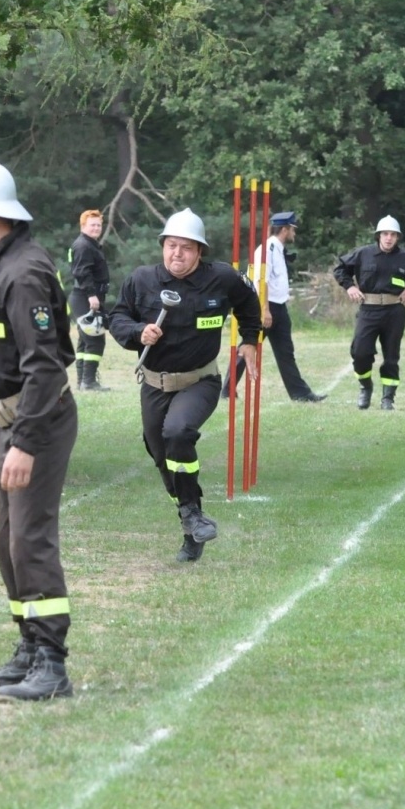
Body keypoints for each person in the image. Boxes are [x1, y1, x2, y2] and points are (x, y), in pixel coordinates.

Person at [0, 161, 79, 701]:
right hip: (12, 422)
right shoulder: (0, 265)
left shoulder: (23, 273)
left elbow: (45, 366)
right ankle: (28, 648)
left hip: (36, 423)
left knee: (29, 540)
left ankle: (51, 663)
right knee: (8, 543)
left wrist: (24, 443)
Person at [108, 208, 261, 563]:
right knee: (161, 455)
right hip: (154, 383)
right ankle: (191, 522)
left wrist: (250, 339)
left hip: (200, 381)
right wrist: (137, 332)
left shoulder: (221, 279)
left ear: (199, 251)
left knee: (177, 432)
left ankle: (192, 513)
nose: (177, 254)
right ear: (163, 246)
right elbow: (117, 317)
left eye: (186, 247)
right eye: (171, 246)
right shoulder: (141, 280)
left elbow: (248, 302)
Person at [332, 215, 405, 410]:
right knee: (360, 352)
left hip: (394, 311)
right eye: (385, 234)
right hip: (368, 309)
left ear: (397, 237)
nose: (389, 238)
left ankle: (388, 398)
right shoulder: (363, 254)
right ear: (379, 235)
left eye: (393, 234)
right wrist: (350, 286)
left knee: (391, 355)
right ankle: (365, 387)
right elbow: (340, 269)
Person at [251, 210, 323, 402]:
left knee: (285, 352)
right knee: (249, 347)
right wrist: (265, 310)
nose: (294, 233)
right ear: (284, 229)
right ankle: (227, 389)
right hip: (267, 306)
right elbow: (261, 280)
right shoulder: (267, 249)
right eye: (292, 229)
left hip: (279, 307)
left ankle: (300, 393)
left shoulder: (278, 248)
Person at [69, 209, 112, 391]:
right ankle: (89, 382)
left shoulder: (90, 244)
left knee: (85, 340)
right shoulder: (83, 246)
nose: (96, 228)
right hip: (85, 298)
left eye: (99, 225)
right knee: (95, 339)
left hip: (86, 297)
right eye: (92, 225)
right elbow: (81, 272)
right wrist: (91, 295)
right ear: (83, 226)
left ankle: (82, 381)